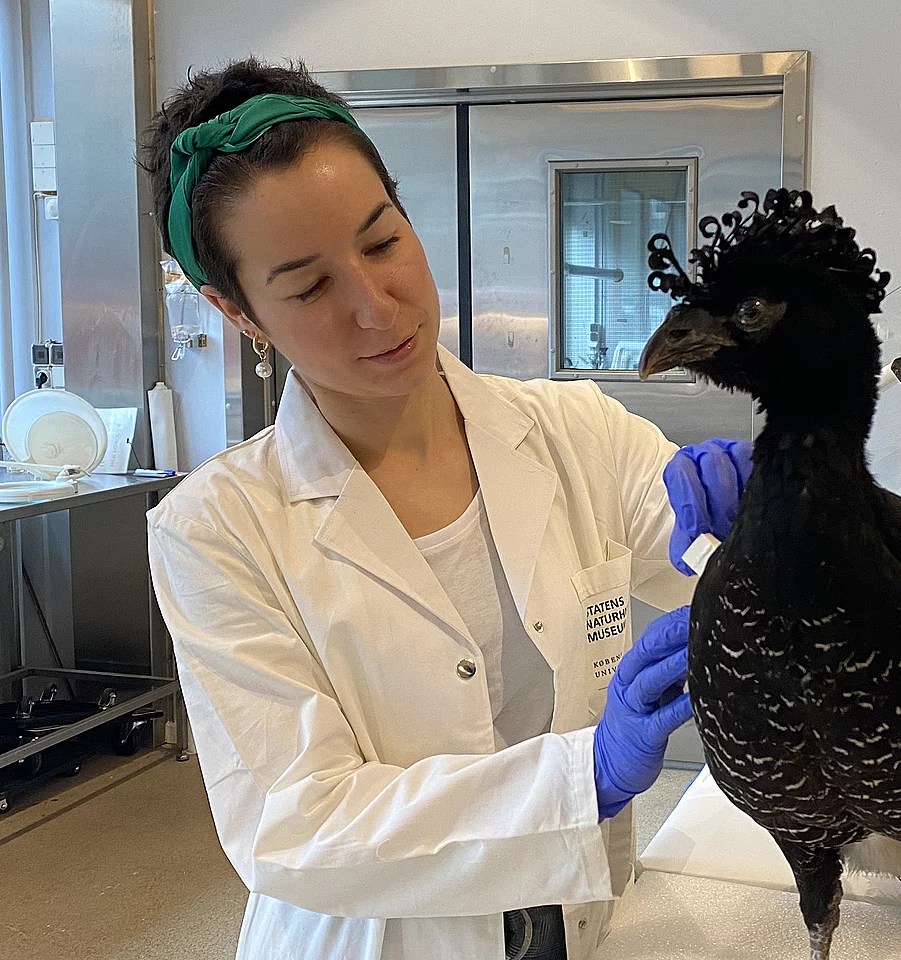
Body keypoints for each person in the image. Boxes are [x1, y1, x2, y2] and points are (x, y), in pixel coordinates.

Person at [139, 58, 751, 960]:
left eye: (382, 242)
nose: (374, 305)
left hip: (584, 924)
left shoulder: (578, 433)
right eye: (309, 287)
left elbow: (738, 582)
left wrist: (780, 521)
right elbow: (299, 824)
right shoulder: (216, 531)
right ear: (238, 313)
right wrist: (583, 777)